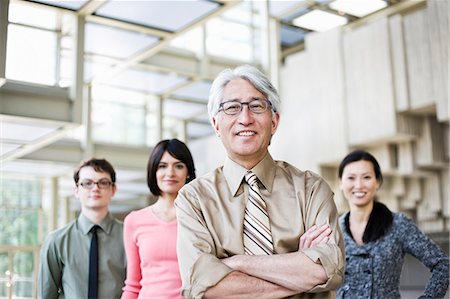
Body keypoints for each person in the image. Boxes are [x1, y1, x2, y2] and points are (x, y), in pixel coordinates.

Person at [175, 64, 344, 298]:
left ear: (274, 121)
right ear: (216, 124)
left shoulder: (311, 189)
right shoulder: (194, 198)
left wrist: (238, 263)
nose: (245, 119)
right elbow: (203, 286)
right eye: (232, 108)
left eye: (256, 106)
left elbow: (327, 270)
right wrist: (296, 269)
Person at [336, 150, 449, 298]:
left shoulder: (398, 225)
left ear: (377, 182)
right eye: (351, 178)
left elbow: (443, 265)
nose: (358, 185)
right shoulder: (334, 230)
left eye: (367, 177)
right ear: (340, 183)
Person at [38, 158, 126, 299]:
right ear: (76, 190)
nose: (95, 188)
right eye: (87, 183)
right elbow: (46, 295)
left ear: (113, 189)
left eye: (103, 183)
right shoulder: (56, 241)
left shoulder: (129, 236)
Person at [122, 139, 196, 299]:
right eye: (162, 166)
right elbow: (133, 284)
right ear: (153, 171)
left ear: (188, 172)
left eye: (178, 166)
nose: (170, 173)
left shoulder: (200, 217)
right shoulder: (134, 221)